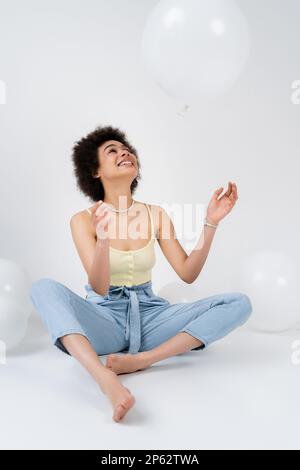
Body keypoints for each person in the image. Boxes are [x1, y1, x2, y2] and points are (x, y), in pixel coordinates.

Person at [30, 125, 252, 423]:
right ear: (95, 171)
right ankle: (104, 379)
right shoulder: (83, 221)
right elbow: (98, 286)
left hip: (150, 318)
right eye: (112, 150)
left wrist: (210, 223)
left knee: (239, 303)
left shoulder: (156, 214)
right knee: (43, 288)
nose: (124, 152)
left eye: (127, 149)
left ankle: (142, 360)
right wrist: (104, 239)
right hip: (105, 319)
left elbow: (187, 273)